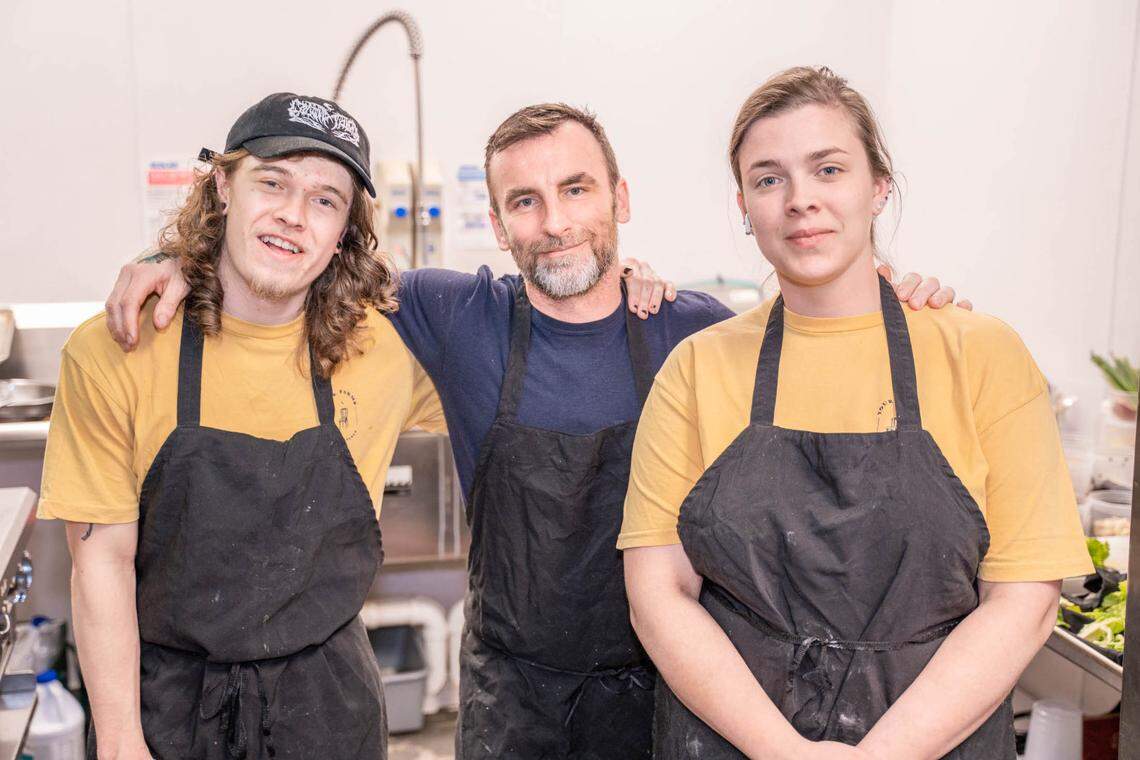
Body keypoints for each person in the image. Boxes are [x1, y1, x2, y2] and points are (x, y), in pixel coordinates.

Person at [102, 103, 962, 759]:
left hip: (674, 687)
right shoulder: (452, 314)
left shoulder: (696, 330)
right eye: (525, 200)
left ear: (619, 197)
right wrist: (175, 259)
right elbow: (293, 261)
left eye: (577, 190)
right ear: (498, 219)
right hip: (511, 699)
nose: (553, 221)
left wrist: (893, 289)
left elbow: (817, 340)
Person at [620, 66, 1093, 759]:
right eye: (769, 178)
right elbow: (659, 593)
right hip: (733, 739)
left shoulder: (982, 354)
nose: (799, 200)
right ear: (746, 208)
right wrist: (786, 751)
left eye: (828, 169)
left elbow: (1024, 600)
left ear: (878, 188)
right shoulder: (697, 369)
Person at [39, 93, 448, 760]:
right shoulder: (120, 346)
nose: (293, 215)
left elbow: (535, 336)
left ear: (346, 229)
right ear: (223, 184)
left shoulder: (387, 350)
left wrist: (630, 281)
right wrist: (118, 741)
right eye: (272, 181)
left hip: (329, 708)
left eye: (325, 200)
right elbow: (101, 563)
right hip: (166, 706)